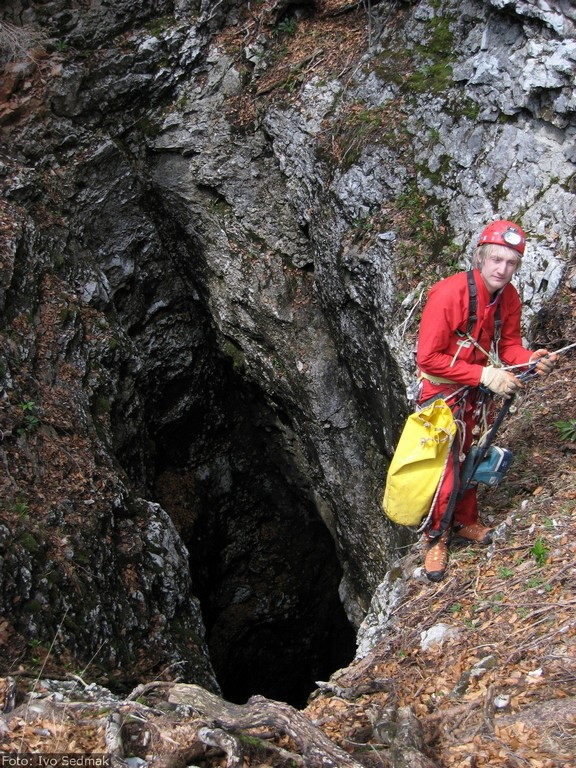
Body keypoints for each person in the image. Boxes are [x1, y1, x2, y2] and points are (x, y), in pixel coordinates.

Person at [416, 220, 557, 582]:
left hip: (477, 394)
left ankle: (465, 520)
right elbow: (427, 358)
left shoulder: (508, 298)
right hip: (443, 393)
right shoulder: (449, 294)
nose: (502, 269)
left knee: (473, 454)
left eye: (511, 263)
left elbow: (508, 346)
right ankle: (436, 537)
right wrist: (483, 375)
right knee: (446, 463)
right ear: (480, 257)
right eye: (496, 259)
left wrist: (531, 360)